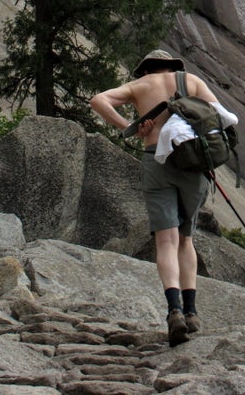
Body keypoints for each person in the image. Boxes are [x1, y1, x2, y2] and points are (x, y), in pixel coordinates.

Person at [90, 49, 234, 347]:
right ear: (171, 68)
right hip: (192, 165)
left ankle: (174, 311)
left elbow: (98, 100)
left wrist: (128, 128)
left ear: (145, 70)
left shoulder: (139, 86)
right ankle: (193, 312)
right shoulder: (191, 81)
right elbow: (221, 117)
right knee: (186, 238)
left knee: (165, 240)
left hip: (155, 161)